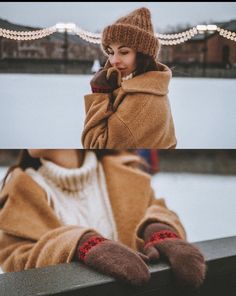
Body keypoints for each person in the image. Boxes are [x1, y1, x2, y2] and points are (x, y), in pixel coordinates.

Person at [0, 150, 205, 287]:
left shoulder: (124, 170)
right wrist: (80, 244)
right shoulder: (21, 189)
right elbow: (15, 259)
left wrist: (158, 229)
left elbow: (156, 208)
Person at [82, 7, 177, 149]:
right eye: (111, 52)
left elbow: (95, 145)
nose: (114, 60)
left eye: (124, 52)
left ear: (142, 54)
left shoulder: (141, 99)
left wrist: (100, 96)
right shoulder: (144, 87)